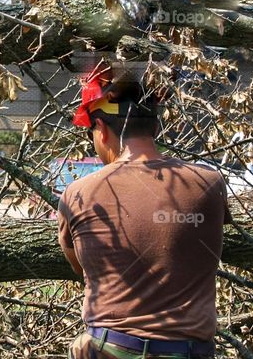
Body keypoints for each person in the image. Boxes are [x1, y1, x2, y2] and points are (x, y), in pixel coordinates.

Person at [58, 63, 231, 359]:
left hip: (111, 348)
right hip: (191, 352)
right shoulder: (210, 183)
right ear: (155, 125)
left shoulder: (79, 194)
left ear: (100, 129)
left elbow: (80, 266)